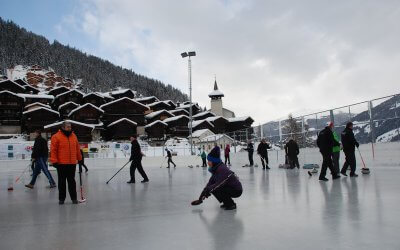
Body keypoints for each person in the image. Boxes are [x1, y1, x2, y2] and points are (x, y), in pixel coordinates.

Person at [191, 146, 243, 210]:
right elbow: (210, 183)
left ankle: (231, 204)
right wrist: (201, 197)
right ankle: (226, 202)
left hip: (236, 190)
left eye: (209, 161)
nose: (208, 163)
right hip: (229, 187)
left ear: (214, 161)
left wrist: (207, 191)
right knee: (214, 188)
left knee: (217, 188)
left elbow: (218, 184)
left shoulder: (222, 169)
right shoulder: (216, 169)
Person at [50, 122, 82, 204]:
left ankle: (74, 198)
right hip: (61, 163)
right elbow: (53, 150)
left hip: (72, 163)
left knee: (72, 181)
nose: (69, 128)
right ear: (63, 127)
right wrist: (54, 161)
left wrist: (79, 158)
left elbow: (77, 148)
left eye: (70, 127)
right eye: (68, 127)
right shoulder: (56, 136)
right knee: (62, 182)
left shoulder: (74, 136)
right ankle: (61, 199)